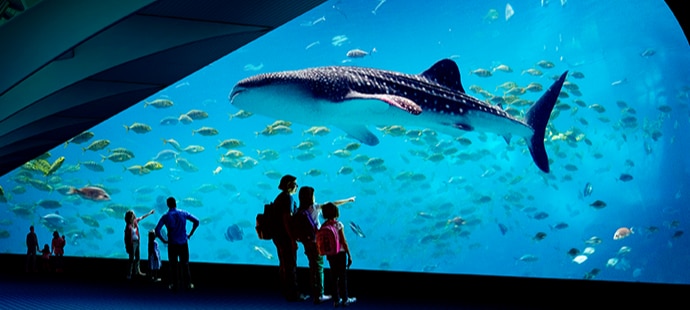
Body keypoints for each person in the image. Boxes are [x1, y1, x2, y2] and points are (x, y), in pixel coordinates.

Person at [297, 186, 355, 304]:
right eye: (313, 195)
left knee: (313, 267)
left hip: (306, 242)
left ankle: (320, 293)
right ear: (310, 197)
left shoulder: (299, 210)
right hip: (316, 242)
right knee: (319, 268)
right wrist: (348, 200)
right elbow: (332, 204)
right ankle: (320, 295)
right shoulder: (315, 207)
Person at [272, 174, 309, 302]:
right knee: (290, 264)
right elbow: (287, 219)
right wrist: (292, 239)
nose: (297, 186)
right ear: (289, 185)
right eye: (295, 184)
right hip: (285, 237)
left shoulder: (279, 198)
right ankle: (293, 294)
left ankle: (285, 291)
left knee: (283, 264)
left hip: (278, 236)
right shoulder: (288, 198)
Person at [155, 197, 199, 291]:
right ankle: (188, 284)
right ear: (175, 203)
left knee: (173, 265)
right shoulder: (183, 213)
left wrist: (163, 240)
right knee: (185, 264)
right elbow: (197, 221)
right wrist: (190, 233)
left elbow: (157, 230)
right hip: (183, 243)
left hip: (172, 244)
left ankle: (174, 285)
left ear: (167, 205)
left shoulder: (165, 216)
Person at [321, 203, 356, 307]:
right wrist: (349, 254)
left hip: (331, 254)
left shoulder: (324, 226)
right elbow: (343, 241)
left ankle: (336, 300)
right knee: (342, 276)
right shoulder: (339, 224)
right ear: (336, 213)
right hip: (340, 253)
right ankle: (345, 299)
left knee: (333, 276)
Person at [125, 209, 155, 279]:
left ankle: (137, 271)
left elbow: (142, 217)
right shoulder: (128, 226)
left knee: (137, 258)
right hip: (131, 244)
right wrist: (127, 246)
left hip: (137, 242)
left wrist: (150, 213)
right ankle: (129, 274)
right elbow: (126, 238)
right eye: (133, 215)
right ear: (130, 216)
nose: (134, 216)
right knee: (131, 259)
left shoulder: (135, 222)